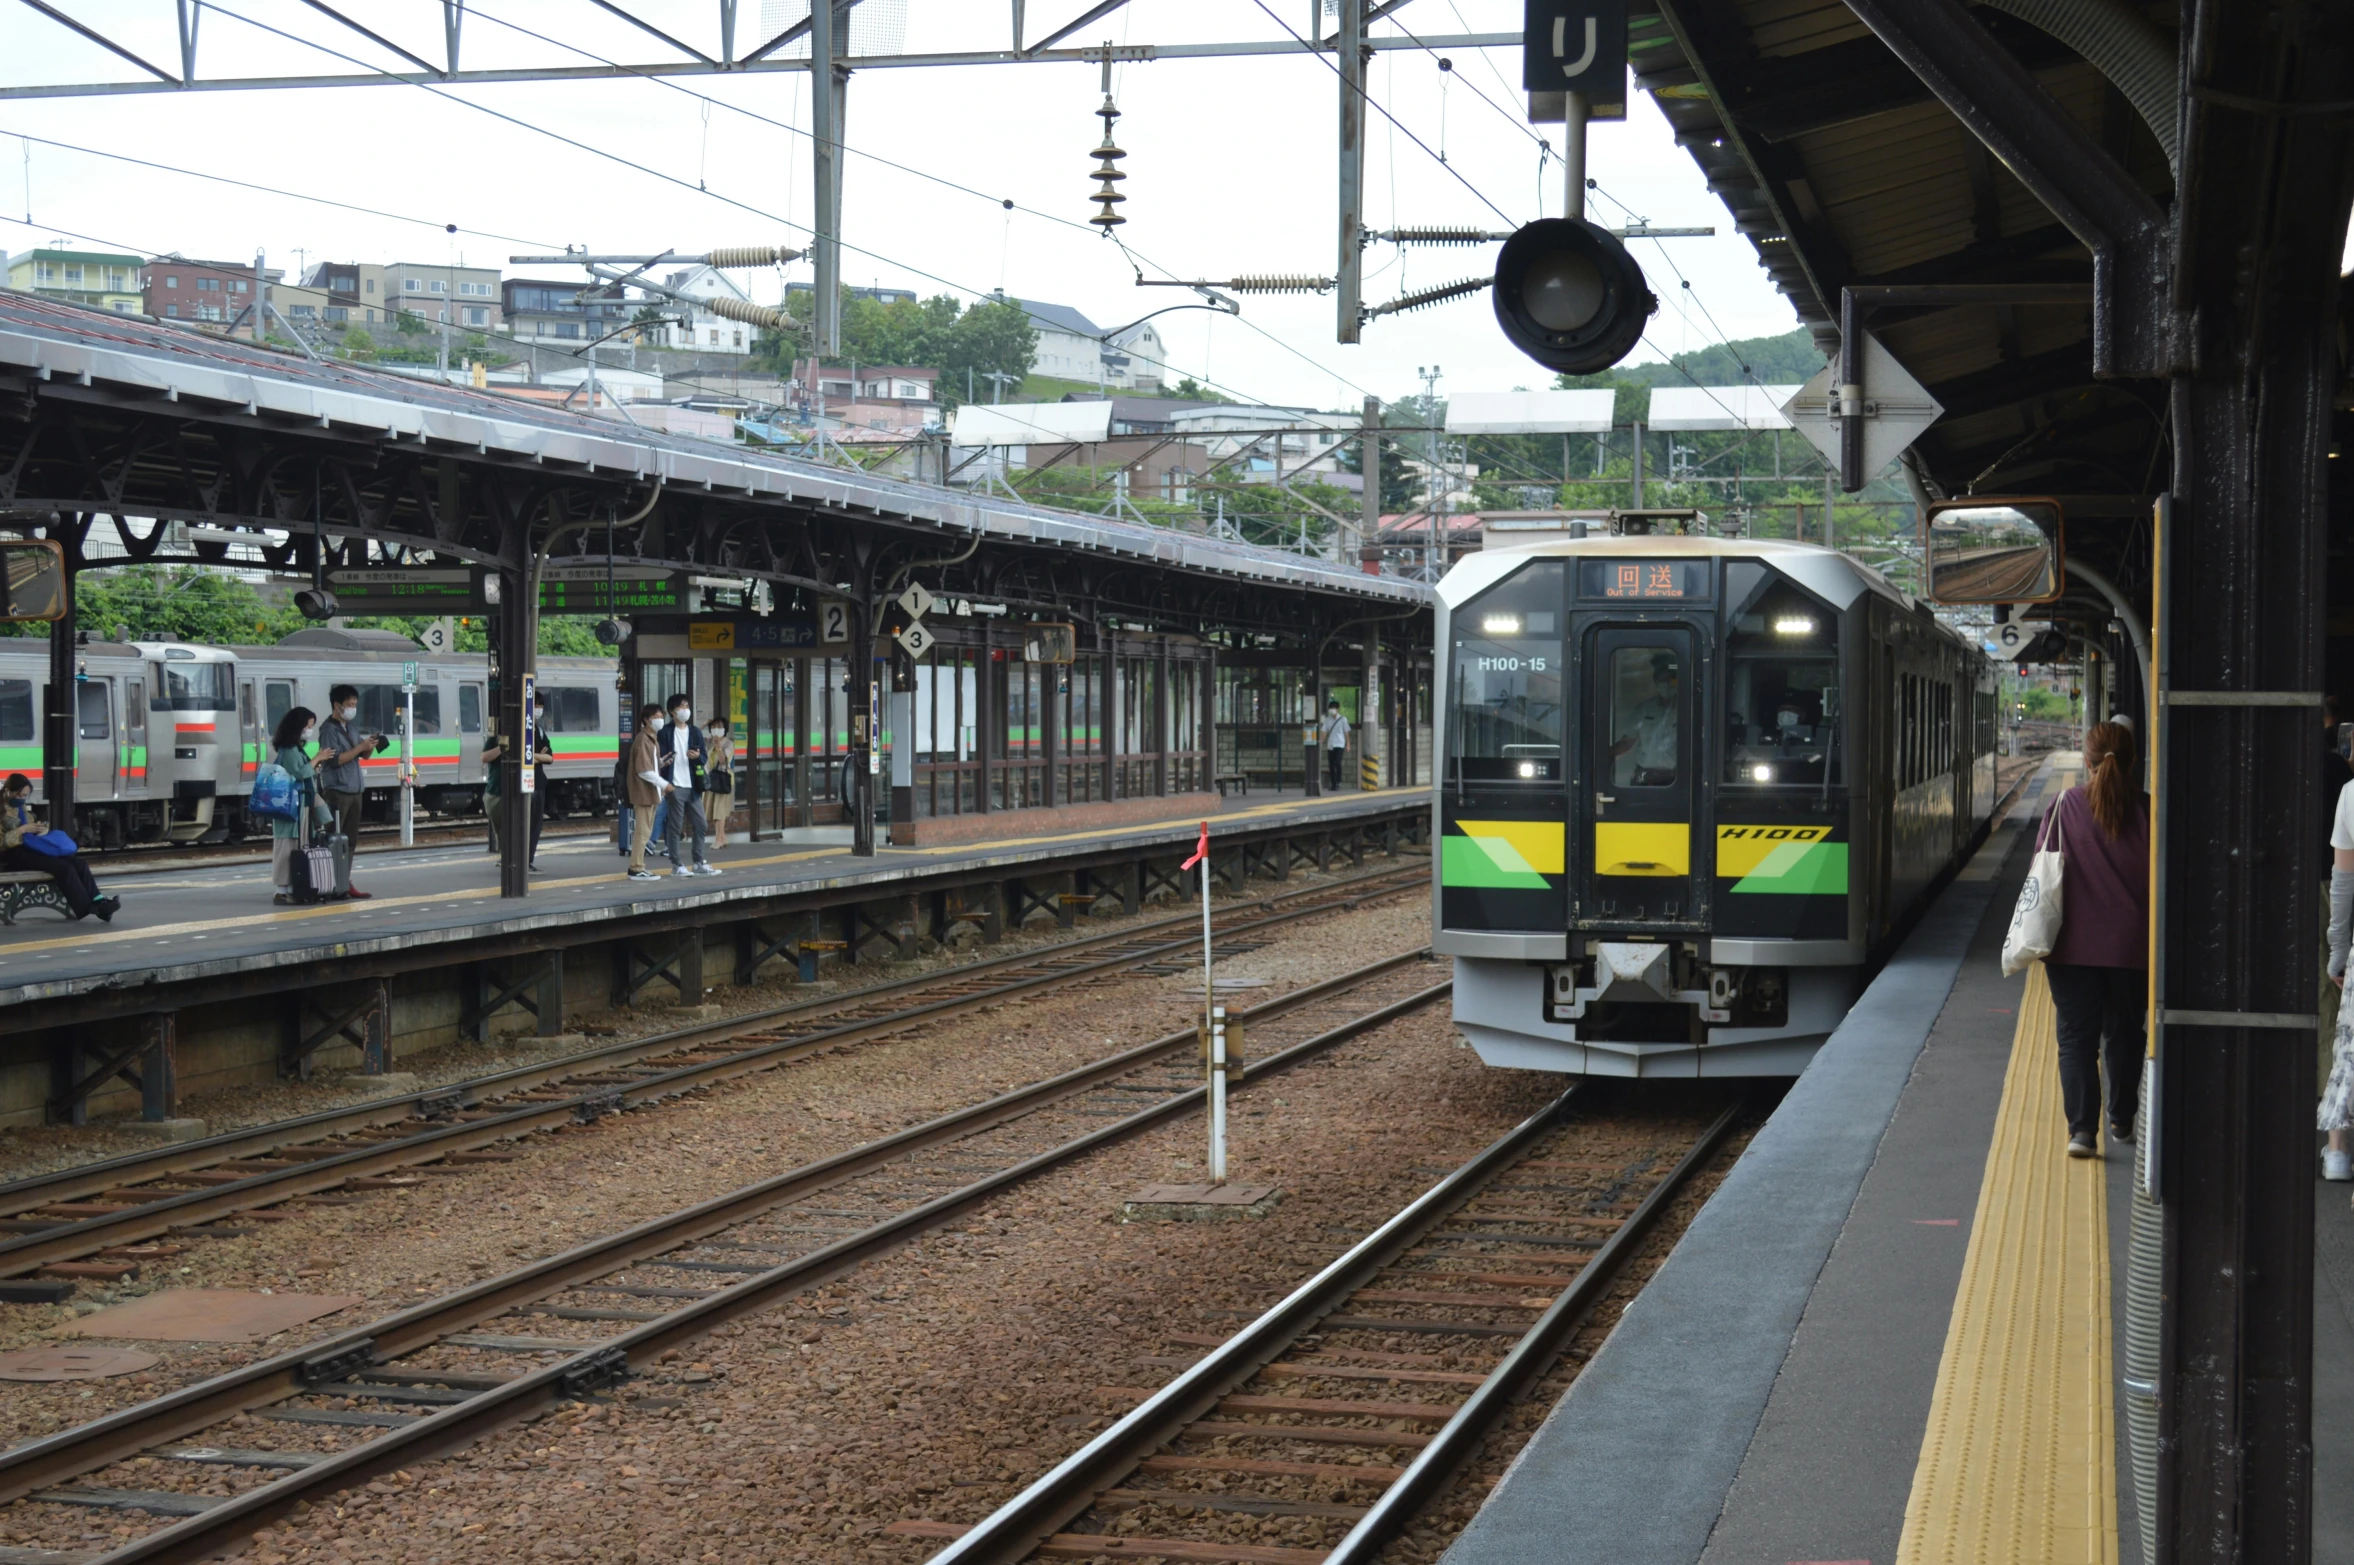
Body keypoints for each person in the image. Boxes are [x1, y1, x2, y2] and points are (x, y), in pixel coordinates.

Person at [2040, 721, 2150, 1159]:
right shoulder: (2150, 811)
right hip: (2132, 948)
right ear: (2133, 761)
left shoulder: (2065, 805)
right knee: (2125, 1033)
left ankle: (2082, 1132)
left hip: (2072, 948)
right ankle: (2122, 1118)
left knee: (2075, 1038)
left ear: (2085, 761)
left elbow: (2042, 868)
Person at [1, 773, 117, 922]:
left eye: (25, 796)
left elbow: (31, 826)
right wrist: (22, 830)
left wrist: (39, 828)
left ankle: (99, 901)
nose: (22, 799)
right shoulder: (1, 809)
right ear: (8, 791)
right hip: (12, 855)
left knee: (79, 864)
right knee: (64, 868)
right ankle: (89, 908)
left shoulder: (21, 808)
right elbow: (3, 843)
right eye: (20, 795)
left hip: (30, 848)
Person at [312, 685, 377, 900]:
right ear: (337, 705)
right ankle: (330, 882)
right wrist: (360, 748)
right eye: (349, 705)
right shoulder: (328, 730)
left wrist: (369, 746)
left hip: (355, 789)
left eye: (355, 705)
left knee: (349, 841)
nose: (352, 709)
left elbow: (363, 756)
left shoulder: (351, 727)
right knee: (334, 838)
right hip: (338, 790)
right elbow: (337, 760)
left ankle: (343, 881)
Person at [482, 692, 555, 871]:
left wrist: (532, 756)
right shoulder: (504, 732)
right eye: (535, 706)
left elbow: (548, 757)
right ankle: (514, 858)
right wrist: (536, 756)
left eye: (540, 706)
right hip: (521, 784)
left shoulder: (538, 731)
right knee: (520, 824)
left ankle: (525, 860)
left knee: (534, 826)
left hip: (538, 783)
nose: (538, 710)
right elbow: (519, 757)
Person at [268, 706, 332, 905]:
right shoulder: (289, 751)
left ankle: (292, 887)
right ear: (298, 726)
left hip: (298, 805)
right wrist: (317, 759)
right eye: (308, 726)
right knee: (286, 846)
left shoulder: (295, 749)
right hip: (290, 807)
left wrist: (314, 763)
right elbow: (300, 772)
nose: (309, 730)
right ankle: (281, 890)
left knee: (296, 845)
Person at [653, 693, 717, 877]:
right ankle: (677, 865)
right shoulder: (665, 732)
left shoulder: (695, 731)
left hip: (693, 785)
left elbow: (703, 756)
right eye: (681, 706)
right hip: (675, 786)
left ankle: (698, 862)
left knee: (701, 824)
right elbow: (659, 759)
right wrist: (665, 776)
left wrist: (697, 758)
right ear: (672, 711)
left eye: (687, 706)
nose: (685, 710)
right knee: (675, 826)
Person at [1611, 653, 1681, 785]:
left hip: (1676, 779)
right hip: (1645, 777)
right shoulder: (1644, 709)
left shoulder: (1687, 709)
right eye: (1662, 680)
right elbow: (1627, 743)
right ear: (1656, 682)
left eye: (1671, 680)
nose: (1667, 684)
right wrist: (1605, 754)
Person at [623, 703, 665, 881]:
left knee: (645, 831)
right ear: (646, 720)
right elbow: (644, 770)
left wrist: (662, 762)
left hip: (650, 793)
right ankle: (636, 867)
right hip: (644, 793)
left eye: (661, 716)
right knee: (642, 832)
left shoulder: (651, 739)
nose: (660, 720)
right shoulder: (643, 740)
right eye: (656, 717)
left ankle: (638, 866)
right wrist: (665, 784)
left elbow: (650, 766)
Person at [705, 719, 737, 849]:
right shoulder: (708, 742)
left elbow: (723, 760)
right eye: (713, 727)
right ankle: (723, 837)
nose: (716, 729)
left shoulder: (728, 744)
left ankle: (718, 839)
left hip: (723, 779)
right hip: (709, 779)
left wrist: (718, 746)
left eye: (719, 726)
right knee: (711, 811)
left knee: (719, 811)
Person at [1319, 700, 1350, 791]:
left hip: (1340, 744)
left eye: (1333, 708)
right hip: (1331, 744)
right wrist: (1321, 742)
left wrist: (1348, 744)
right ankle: (1333, 783)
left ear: (1337, 709)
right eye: (1331, 708)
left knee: (1337, 762)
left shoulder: (1343, 719)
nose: (1332, 710)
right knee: (1331, 765)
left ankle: (1338, 781)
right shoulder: (1327, 720)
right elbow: (1324, 732)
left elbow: (1346, 732)